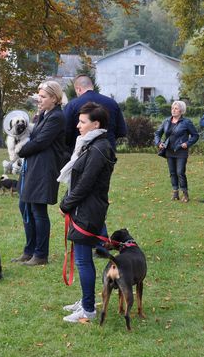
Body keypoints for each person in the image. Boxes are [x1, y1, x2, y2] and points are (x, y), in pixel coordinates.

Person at [58, 102, 116, 323]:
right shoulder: (91, 144)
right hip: (85, 207)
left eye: (82, 122)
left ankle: (89, 309)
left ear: (96, 124)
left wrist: (66, 203)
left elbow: (86, 183)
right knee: (82, 258)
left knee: (82, 260)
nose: (77, 125)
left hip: (88, 210)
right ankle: (85, 300)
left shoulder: (99, 148)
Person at [12, 80, 67, 266]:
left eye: (43, 97)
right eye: (39, 96)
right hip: (33, 167)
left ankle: (40, 254)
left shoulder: (57, 117)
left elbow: (41, 142)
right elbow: (32, 137)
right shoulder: (43, 114)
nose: (39, 99)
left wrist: (19, 151)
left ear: (54, 98)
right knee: (24, 206)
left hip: (44, 169)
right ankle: (29, 251)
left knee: (38, 211)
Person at [63, 74, 127, 152]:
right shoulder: (112, 103)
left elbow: (65, 133)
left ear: (78, 89)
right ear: (92, 86)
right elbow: (121, 131)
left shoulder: (72, 105)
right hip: (107, 151)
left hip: (81, 151)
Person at [155, 100, 199, 202]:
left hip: (181, 151)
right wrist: (159, 143)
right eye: (172, 108)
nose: (173, 110)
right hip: (169, 150)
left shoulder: (186, 122)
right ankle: (175, 193)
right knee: (172, 172)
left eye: (176, 108)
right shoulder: (166, 121)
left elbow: (195, 135)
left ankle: (185, 194)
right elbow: (157, 133)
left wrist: (187, 143)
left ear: (181, 111)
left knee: (180, 172)